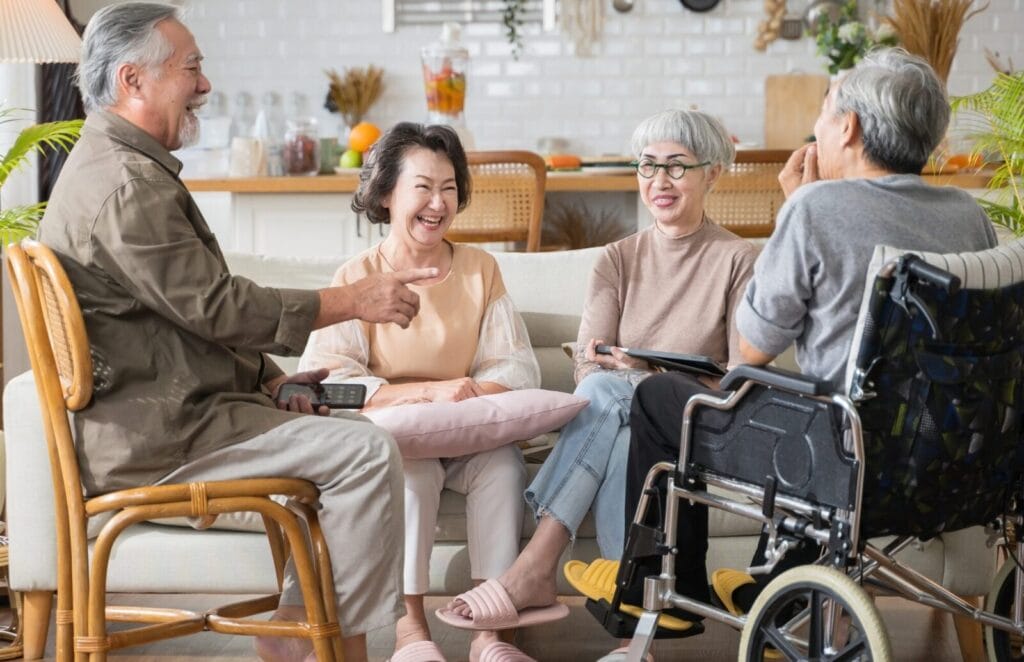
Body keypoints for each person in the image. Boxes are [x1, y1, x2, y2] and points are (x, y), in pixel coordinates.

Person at [37, 4, 435, 662]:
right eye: (191, 67)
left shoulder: (113, 166)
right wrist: (353, 300)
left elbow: (178, 321)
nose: (205, 84)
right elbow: (216, 307)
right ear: (133, 80)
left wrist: (270, 381)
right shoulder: (128, 187)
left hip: (165, 420)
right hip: (163, 439)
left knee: (350, 440)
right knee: (365, 452)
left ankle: (299, 627)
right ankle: (323, 642)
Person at [609, 47, 998, 627]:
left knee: (660, 396)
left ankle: (667, 588)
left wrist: (796, 208)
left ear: (849, 127)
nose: (816, 127)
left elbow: (751, 350)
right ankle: (776, 583)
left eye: (823, 111)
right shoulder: (968, 214)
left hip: (839, 454)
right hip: (949, 458)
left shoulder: (816, 207)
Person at [437, 109, 758, 659]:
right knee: (621, 424)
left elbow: (735, 380)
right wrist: (623, 378)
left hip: (693, 425)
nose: (659, 181)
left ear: (713, 173)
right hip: (628, 425)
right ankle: (633, 641)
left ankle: (537, 564)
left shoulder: (738, 260)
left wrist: (647, 377)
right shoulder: (617, 259)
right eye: (648, 166)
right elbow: (588, 367)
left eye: (677, 166)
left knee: (614, 395)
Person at [297, 122, 543, 662]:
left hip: (472, 434)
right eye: (424, 187)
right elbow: (328, 382)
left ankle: (491, 634)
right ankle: (411, 631)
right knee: (411, 472)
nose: (438, 203)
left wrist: (464, 398)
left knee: (503, 466)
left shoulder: (481, 269)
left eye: (449, 188)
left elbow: (516, 365)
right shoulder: (358, 277)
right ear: (386, 193)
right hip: (402, 440)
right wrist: (429, 395)